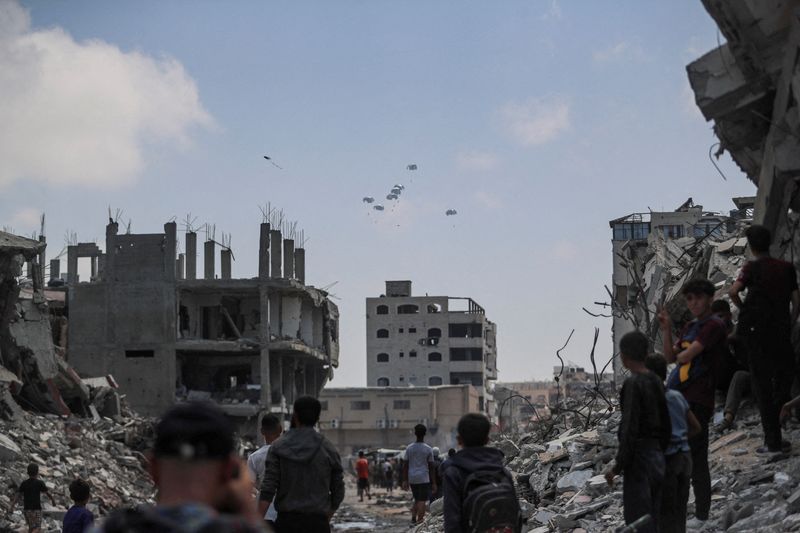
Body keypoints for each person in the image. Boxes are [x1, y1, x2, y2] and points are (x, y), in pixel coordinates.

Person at [95, 401, 263, 532]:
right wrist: (246, 508)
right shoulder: (239, 529)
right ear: (229, 471)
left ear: (152, 468)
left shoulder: (111, 528)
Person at [659, 278, 728, 526]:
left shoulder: (714, 325)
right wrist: (666, 329)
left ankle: (702, 514)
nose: (694, 303)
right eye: (689, 299)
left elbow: (686, 355)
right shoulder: (689, 326)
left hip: (699, 397)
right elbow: (669, 356)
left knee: (696, 457)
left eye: (698, 298)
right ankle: (682, 514)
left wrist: (680, 354)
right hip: (679, 398)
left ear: (710, 298)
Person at [730, 224, 800, 454]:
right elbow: (796, 300)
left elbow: (733, 292)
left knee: (762, 387)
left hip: (755, 332)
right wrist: (790, 320)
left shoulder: (751, 267)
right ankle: (780, 422)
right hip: (780, 330)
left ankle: (773, 442)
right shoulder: (786, 268)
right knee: (783, 378)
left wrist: (744, 310)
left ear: (751, 246)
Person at [605, 331, 670, 533]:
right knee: (655, 518)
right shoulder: (656, 380)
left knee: (638, 521)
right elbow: (666, 423)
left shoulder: (633, 384)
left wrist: (618, 466)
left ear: (624, 357)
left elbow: (629, 427)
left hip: (639, 462)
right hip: (658, 457)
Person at [259, 396, 345, 533]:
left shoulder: (278, 447)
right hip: (318, 523)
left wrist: (256, 522)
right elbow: (338, 490)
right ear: (317, 418)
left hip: (286, 523)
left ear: (295, 416)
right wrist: (326, 517)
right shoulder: (328, 448)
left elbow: (268, 489)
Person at [645, 354, 701, 533]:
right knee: (680, 512)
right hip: (684, 459)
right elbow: (696, 427)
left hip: (666, 462)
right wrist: (680, 439)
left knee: (664, 515)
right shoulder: (677, 396)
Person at [442, 413, 519, 533]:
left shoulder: (454, 473)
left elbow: (452, 521)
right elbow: (516, 515)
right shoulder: (502, 471)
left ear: (459, 440)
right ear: (487, 440)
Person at [247, 413, 283, 529]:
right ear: (280, 430)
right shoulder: (292, 454)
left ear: (262, 431)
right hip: (288, 514)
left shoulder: (255, 457)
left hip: (265, 513)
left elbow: (249, 488)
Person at [402, 424, 437, 525]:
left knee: (416, 498)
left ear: (415, 433)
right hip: (423, 478)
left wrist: (404, 480)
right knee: (422, 500)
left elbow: (405, 465)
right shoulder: (428, 449)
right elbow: (431, 467)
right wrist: (434, 482)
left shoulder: (409, 448)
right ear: (425, 434)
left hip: (412, 478)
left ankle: (413, 517)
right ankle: (419, 522)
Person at [7, 463, 56, 533]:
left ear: (27, 473)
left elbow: (18, 495)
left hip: (27, 510)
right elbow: (47, 493)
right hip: (36, 509)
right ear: (37, 472)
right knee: (37, 528)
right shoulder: (40, 483)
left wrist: (12, 506)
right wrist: (53, 500)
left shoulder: (24, 483)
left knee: (31, 527)